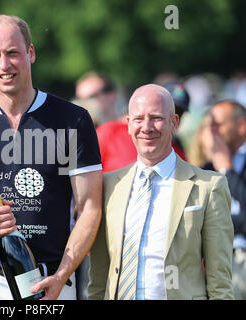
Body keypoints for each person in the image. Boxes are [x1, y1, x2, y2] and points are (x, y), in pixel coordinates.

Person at [0, 14, 102, 300]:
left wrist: (62, 276)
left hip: (54, 279)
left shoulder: (73, 119)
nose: (4, 65)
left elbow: (90, 207)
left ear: (31, 53)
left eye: (13, 53)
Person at [88, 84, 234, 300]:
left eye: (156, 117)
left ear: (174, 123)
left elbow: (220, 281)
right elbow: (99, 277)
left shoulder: (208, 186)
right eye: (138, 119)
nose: (146, 127)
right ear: (128, 124)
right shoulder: (108, 185)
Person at [202, 100, 246, 299]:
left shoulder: (223, 165)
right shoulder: (208, 167)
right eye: (209, 125)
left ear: (241, 126)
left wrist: (227, 171)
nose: (212, 131)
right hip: (216, 260)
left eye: (217, 124)